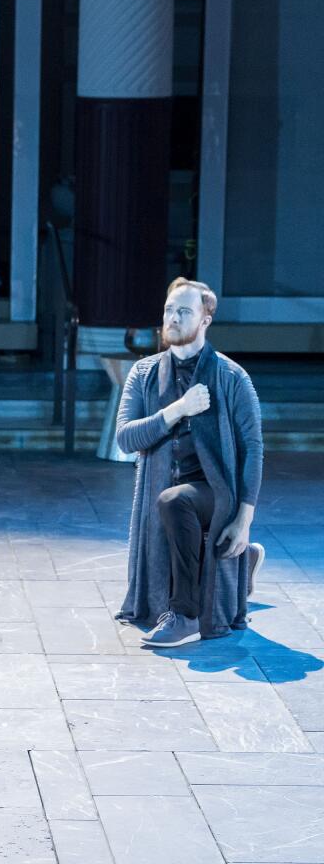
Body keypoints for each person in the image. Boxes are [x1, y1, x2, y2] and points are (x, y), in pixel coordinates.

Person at [115, 277, 265, 647]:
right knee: (169, 499)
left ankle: (186, 615)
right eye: (169, 310)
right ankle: (245, 565)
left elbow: (253, 449)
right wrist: (177, 410)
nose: (173, 318)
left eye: (184, 311)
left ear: (205, 320)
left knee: (175, 500)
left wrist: (244, 521)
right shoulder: (144, 373)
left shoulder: (232, 377)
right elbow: (126, 437)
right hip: (162, 482)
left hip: (215, 491)